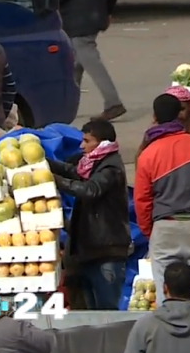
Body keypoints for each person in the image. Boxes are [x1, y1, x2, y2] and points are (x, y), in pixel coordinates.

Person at [134, 94, 190, 310]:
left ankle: (168, 334)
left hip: (165, 226)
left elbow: (142, 200)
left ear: (155, 117)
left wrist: (151, 231)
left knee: (163, 285)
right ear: (180, 115)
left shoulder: (148, 155)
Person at [49, 118, 131, 310]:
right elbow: (73, 171)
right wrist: (46, 165)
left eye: (87, 141)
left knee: (106, 313)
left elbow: (90, 190)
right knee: (90, 311)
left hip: (106, 252)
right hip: (89, 251)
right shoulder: (92, 164)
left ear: (102, 143)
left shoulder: (111, 168)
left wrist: (56, 180)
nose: (81, 145)